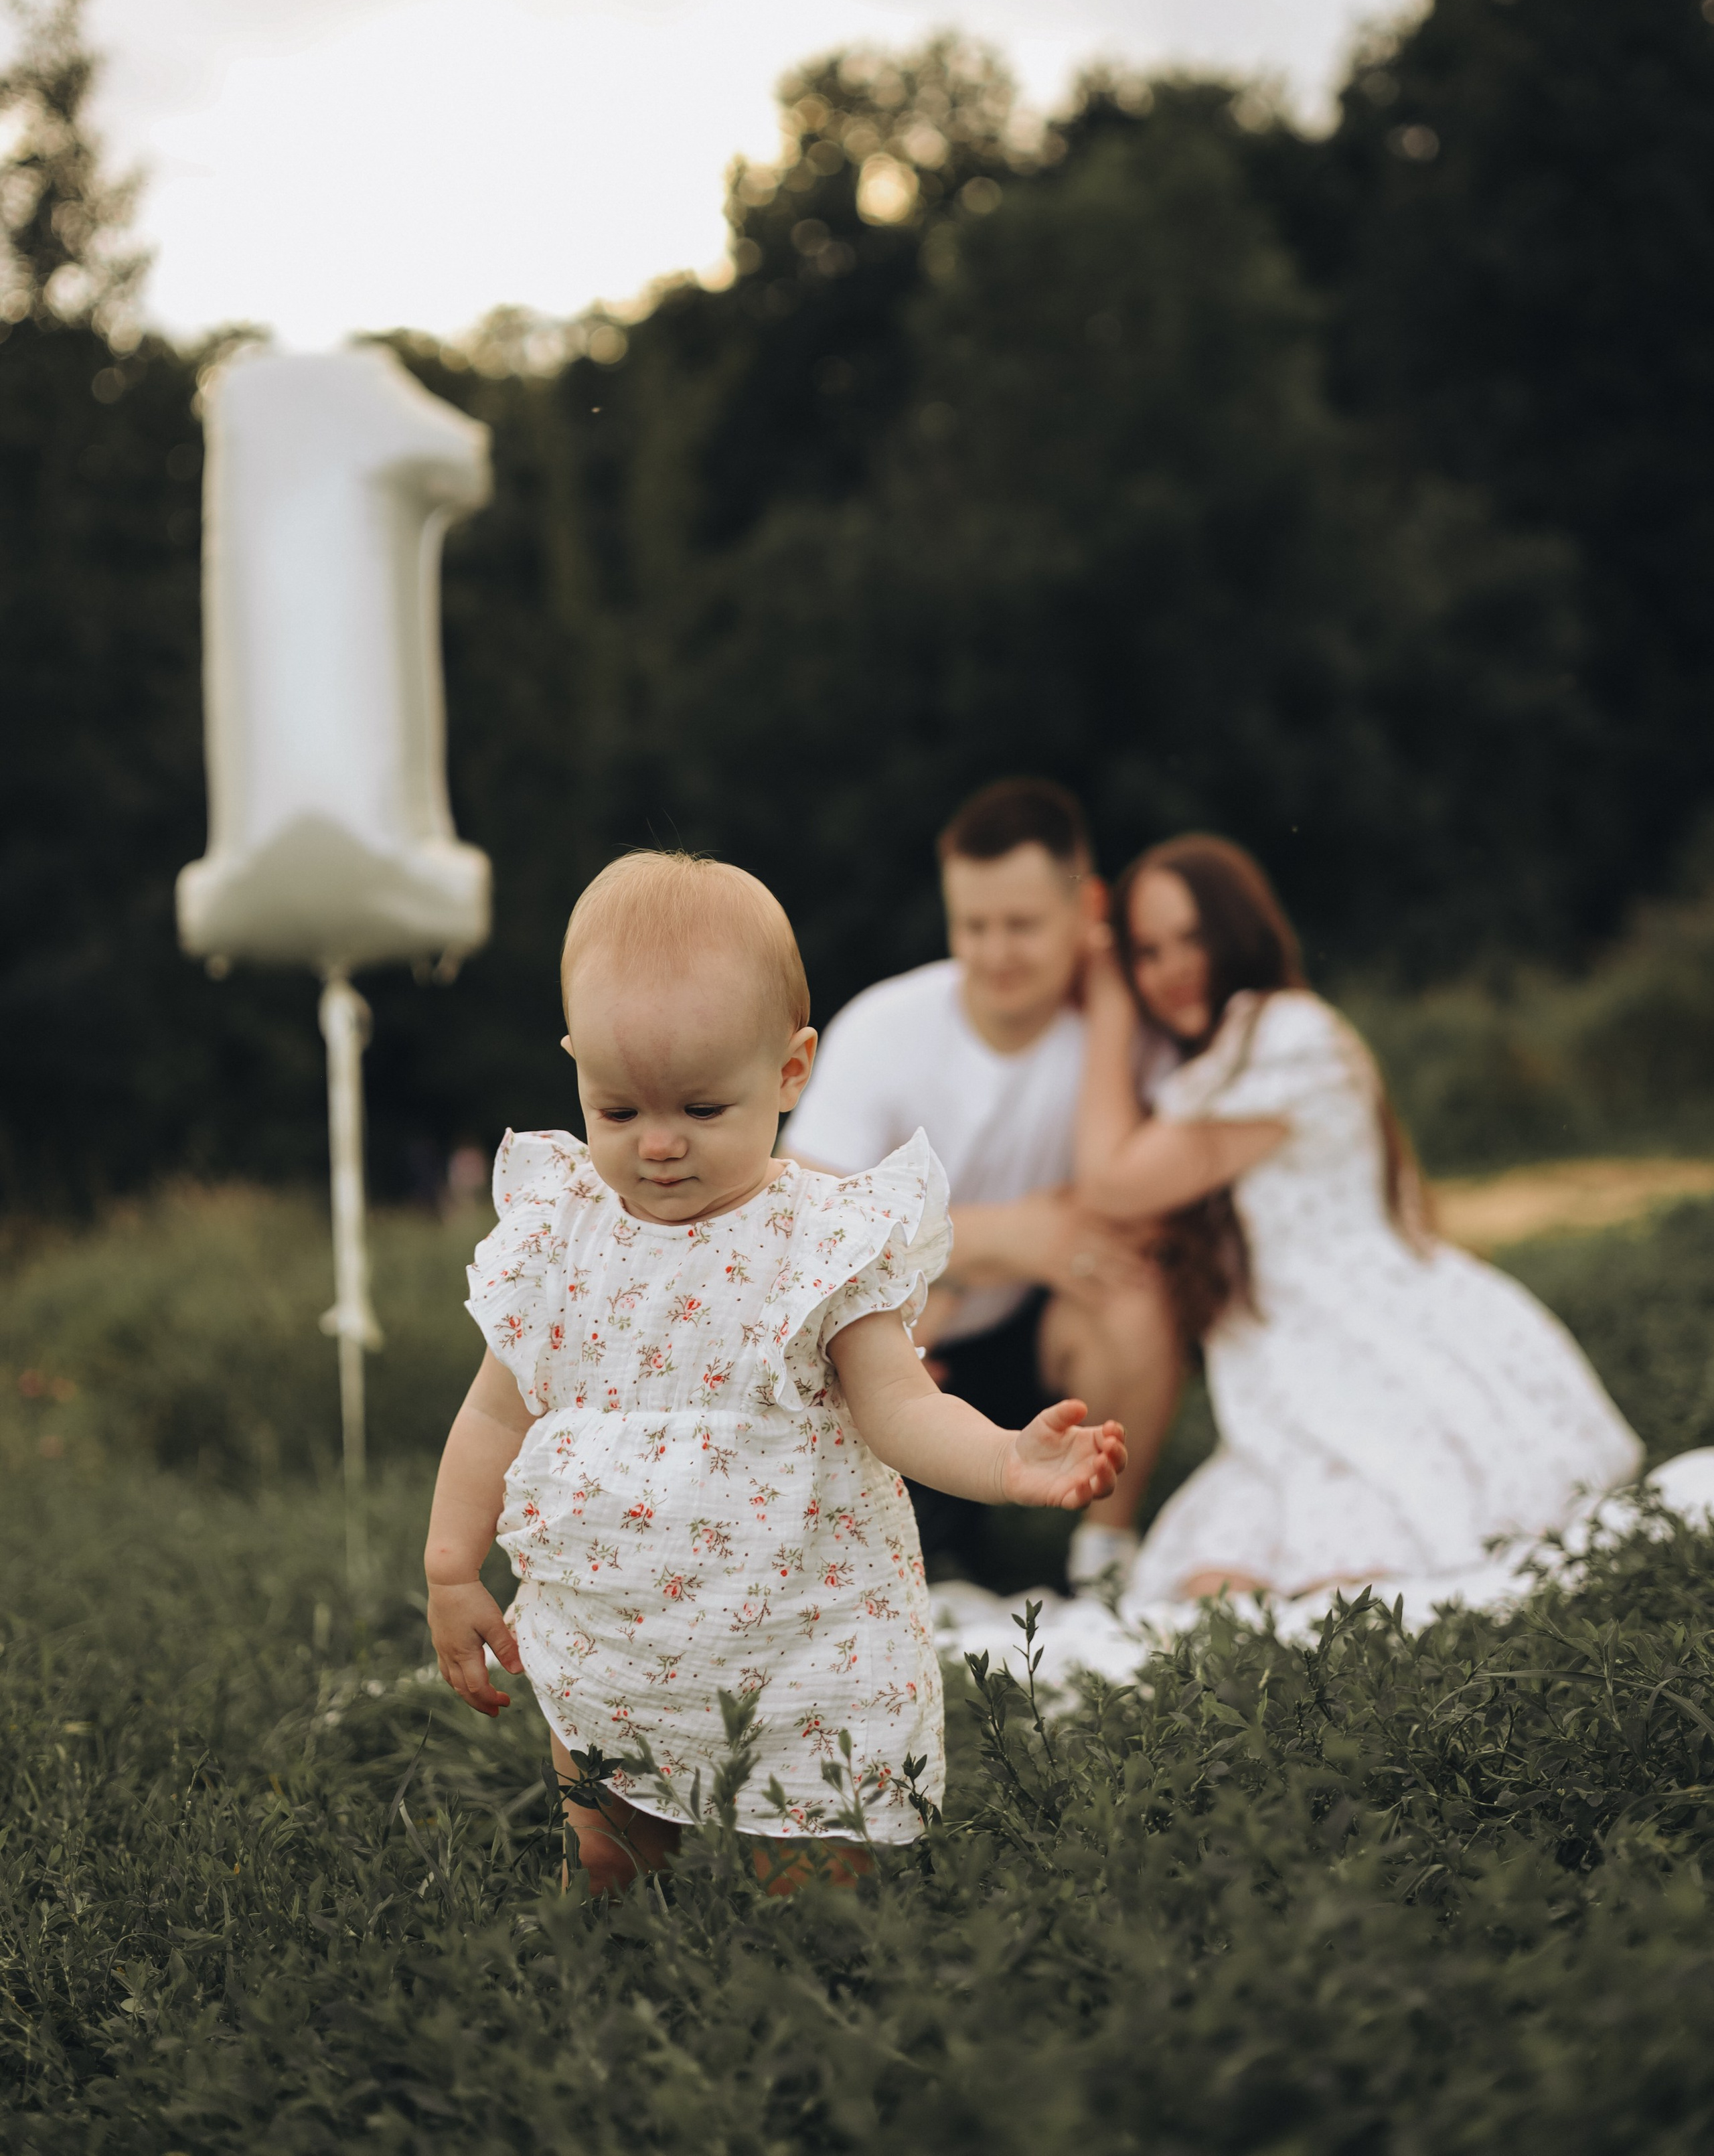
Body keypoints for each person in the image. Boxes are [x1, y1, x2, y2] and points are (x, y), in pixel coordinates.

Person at [424, 850, 1126, 1895]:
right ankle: (609, 1887)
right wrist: (449, 1565)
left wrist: (1004, 1459)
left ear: (791, 1072)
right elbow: (493, 1414)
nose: (658, 1146)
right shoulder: (559, 1234)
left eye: (703, 1111)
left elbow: (897, 1407)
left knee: (809, 1844)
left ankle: (807, 1947)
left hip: (792, 1620)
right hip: (612, 1613)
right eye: (618, 1111)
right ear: (577, 1067)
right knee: (606, 1807)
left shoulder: (819, 1241)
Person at [1075, 834, 1641, 1604]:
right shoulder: (1226, 1057)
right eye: (1145, 952)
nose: (1172, 969)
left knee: (1366, 1568)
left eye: (1192, 938)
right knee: (1212, 1584)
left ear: (1240, 929)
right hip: (1295, 1364)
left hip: (1371, 1339)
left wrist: (1108, 1002)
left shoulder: (1280, 1036)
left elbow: (1110, 1184)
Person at [781, 779, 1180, 1591]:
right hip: (901, 1346)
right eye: (974, 925)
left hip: (1038, 1332)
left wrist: (1109, 1004)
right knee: (920, 1566)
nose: (995, 952)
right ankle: (937, 1539)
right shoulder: (885, 1027)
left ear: (1087, 908)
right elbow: (797, 1218)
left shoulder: (1122, 1040)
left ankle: (1104, 1552)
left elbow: (1152, 1217)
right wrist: (1011, 1237)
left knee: (1136, 1295)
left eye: (1023, 926)